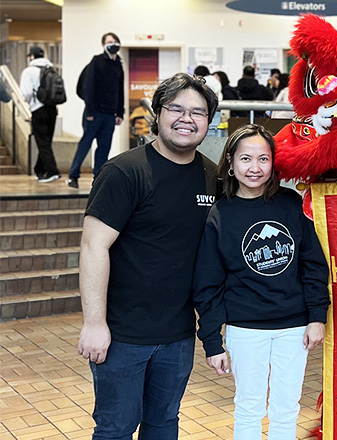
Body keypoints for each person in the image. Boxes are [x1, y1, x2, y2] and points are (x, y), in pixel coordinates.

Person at [76, 72, 219, 440]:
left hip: (179, 334)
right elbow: (94, 246)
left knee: (163, 424)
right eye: (176, 109)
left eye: (198, 112)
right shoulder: (124, 171)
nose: (187, 119)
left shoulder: (211, 175)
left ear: (208, 121)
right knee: (116, 429)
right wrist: (94, 323)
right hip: (122, 335)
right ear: (157, 114)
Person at [193, 124, 329, 440]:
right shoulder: (220, 213)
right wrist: (212, 340)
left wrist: (317, 317)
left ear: (273, 162)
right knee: (249, 406)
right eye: (245, 159)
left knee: (287, 407)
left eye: (263, 160)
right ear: (230, 161)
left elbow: (313, 264)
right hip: (245, 329)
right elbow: (208, 284)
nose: (255, 168)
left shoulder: (292, 204)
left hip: (294, 327)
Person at [68, 32, 125, 189]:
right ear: (103, 45)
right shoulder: (96, 61)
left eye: (114, 41)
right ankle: (73, 175)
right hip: (94, 113)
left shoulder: (119, 64)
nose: (111, 44)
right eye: (108, 41)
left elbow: (120, 90)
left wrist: (120, 113)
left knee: (104, 147)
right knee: (85, 144)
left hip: (110, 115)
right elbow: (88, 87)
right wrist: (91, 111)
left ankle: (98, 178)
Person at [20, 46, 61, 183]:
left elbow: (25, 93)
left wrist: (28, 101)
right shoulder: (51, 69)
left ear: (32, 56)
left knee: (42, 143)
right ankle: (40, 170)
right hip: (52, 109)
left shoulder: (28, 71)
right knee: (46, 141)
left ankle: (52, 171)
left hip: (38, 109)